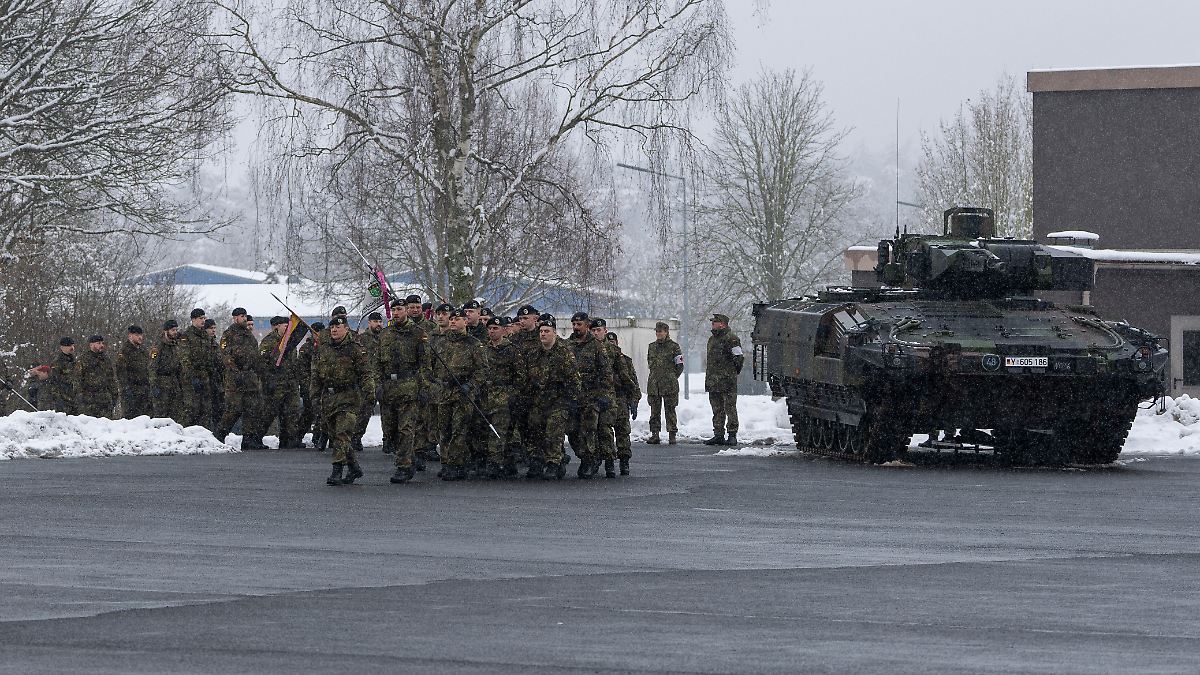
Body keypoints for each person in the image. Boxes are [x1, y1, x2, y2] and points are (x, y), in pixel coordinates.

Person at [311, 315, 374, 485]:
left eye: (338, 327)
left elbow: (366, 374)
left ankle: (337, 470)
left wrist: (370, 393)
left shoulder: (355, 349)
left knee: (342, 434)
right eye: (332, 327)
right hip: (330, 399)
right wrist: (315, 396)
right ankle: (354, 467)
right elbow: (316, 376)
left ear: (346, 329)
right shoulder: (324, 349)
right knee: (338, 436)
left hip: (349, 397)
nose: (334, 330)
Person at [429, 308, 487, 481]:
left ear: (465, 322)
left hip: (463, 393)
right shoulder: (439, 342)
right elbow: (429, 367)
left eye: (457, 319)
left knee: (459, 430)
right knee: (444, 429)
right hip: (443, 391)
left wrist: (470, 385)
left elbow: (482, 370)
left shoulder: (474, 344)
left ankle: (456, 464)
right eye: (451, 319)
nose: (453, 321)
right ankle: (446, 462)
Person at [377, 305, 429, 483]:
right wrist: (378, 384)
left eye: (400, 309)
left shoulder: (417, 333)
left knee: (405, 429)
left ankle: (403, 466)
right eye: (394, 310)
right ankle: (409, 457)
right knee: (390, 431)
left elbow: (424, 364)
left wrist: (423, 387)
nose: (396, 313)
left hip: (409, 386)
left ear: (406, 311)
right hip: (389, 388)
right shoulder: (385, 334)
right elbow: (377, 363)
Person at [526, 319, 579, 479]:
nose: (543, 334)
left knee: (553, 432)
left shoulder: (564, 352)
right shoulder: (534, 354)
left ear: (554, 333)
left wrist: (571, 401)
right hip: (539, 400)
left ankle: (554, 463)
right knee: (534, 430)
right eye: (541, 331)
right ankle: (537, 460)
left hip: (558, 401)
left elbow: (574, 380)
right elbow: (527, 378)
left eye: (547, 331)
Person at [566, 312, 612, 478]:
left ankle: (589, 460)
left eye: (579, 324)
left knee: (588, 430)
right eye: (574, 324)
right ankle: (585, 455)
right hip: (572, 396)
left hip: (591, 395)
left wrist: (604, 394)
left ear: (587, 326)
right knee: (571, 430)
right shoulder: (567, 345)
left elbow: (606, 372)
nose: (576, 327)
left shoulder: (596, 346)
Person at [216, 307, 267, 450]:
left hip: (250, 378)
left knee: (252, 410)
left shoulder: (249, 336)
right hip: (235, 379)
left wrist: (260, 374)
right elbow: (225, 355)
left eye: (245, 316)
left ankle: (248, 439)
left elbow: (255, 357)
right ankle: (220, 435)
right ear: (235, 318)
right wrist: (235, 372)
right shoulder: (229, 334)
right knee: (233, 409)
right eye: (241, 316)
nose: (244, 319)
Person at [481, 316, 522, 478]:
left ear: (503, 330)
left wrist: (513, 394)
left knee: (500, 430)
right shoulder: (483, 349)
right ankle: (499, 461)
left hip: (504, 396)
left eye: (495, 329)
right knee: (487, 428)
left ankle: (496, 461)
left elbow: (520, 376)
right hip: (487, 395)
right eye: (489, 329)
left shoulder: (512, 350)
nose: (491, 331)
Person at [259, 316, 302, 449]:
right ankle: (256, 437)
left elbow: (294, 362)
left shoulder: (290, 342)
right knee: (269, 413)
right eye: (285, 326)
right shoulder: (269, 341)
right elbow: (262, 363)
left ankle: (288, 440)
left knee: (291, 413)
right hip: (275, 384)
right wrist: (268, 380)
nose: (288, 328)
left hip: (290, 384)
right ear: (277, 326)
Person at [605, 331, 641, 476]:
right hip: (606, 400)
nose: (611, 345)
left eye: (613, 343)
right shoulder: (601, 360)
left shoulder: (625, 360)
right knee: (606, 433)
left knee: (623, 432)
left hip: (621, 399)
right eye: (609, 343)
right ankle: (609, 462)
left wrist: (634, 400)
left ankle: (624, 460)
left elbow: (633, 381)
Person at [704, 313, 744, 446]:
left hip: (727, 381)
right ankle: (718, 434)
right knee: (717, 409)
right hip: (713, 381)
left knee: (730, 408)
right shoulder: (712, 340)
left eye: (715, 322)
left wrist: (731, 374)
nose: (712, 324)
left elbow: (739, 359)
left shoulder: (732, 339)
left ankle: (732, 435)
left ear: (722, 324)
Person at [589, 318, 621, 478]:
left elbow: (624, 373)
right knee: (591, 430)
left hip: (608, 396)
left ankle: (609, 461)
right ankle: (593, 460)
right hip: (591, 396)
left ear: (605, 331)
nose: (596, 333)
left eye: (598, 330)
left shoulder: (613, 350)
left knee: (605, 429)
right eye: (593, 330)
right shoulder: (587, 348)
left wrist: (632, 395)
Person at [646, 321, 683, 445]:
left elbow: (679, 365)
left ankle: (672, 434)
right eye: (656, 331)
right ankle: (655, 434)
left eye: (660, 331)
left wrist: (672, 377)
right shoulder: (652, 346)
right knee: (654, 411)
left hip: (669, 384)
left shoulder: (674, 347)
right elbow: (650, 363)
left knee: (670, 410)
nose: (658, 334)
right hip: (654, 384)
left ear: (666, 332)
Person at [352, 311, 385, 452]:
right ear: (369, 323)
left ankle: (388, 439)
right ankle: (356, 437)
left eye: (380, 322)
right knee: (364, 411)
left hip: (383, 379)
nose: (378, 324)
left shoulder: (385, 338)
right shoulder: (362, 339)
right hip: (367, 380)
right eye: (375, 322)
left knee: (387, 412)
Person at [179, 308, 217, 429]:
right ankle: (186, 434)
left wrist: (212, 373)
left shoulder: (205, 336)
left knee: (206, 409)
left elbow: (210, 356)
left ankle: (203, 435)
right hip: (191, 378)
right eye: (201, 318)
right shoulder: (186, 336)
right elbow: (185, 359)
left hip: (205, 376)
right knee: (191, 409)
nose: (203, 320)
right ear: (193, 319)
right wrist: (192, 377)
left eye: (204, 318)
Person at [151, 320, 188, 422]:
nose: (175, 332)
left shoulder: (176, 344)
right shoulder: (159, 345)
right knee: (161, 413)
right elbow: (152, 367)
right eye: (173, 330)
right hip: (162, 382)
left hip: (174, 382)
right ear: (166, 331)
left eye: (176, 329)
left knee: (176, 412)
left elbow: (179, 364)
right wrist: (154, 385)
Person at [75, 335, 117, 418]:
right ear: (91, 345)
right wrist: (81, 397)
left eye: (102, 343)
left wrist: (114, 394)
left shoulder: (106, 359)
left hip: (105, 400)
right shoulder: (83, 359)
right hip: (89, 400)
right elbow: (77, 379)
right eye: (98, 343)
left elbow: (111, 378)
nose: (101, 345)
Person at [115, 325, 152, 419]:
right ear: (130, 336)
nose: (140, 337)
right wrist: (126, 389)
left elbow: (148, 369)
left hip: (144, 391)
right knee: (131, 420)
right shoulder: (124, 351)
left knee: (145, 419)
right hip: (131, 391)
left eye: (141, 335)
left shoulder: (143, 351)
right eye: (137, 335)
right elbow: (121, 373)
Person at [297, 321, 324, 450]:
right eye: (316, 332)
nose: (319, 335)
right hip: (309, 386)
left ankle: (318, 436)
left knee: (321, 413)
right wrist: (309, 386)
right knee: (309, 413)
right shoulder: (306, 349)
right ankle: (298, 435)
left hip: (323, 386)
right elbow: (302, 371)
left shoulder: (325, 347)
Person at [45, 337, 78, 414]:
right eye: (69, 346)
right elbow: (55, 380)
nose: (72, 348)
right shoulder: (58, 362)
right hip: (62, 398)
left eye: (72, 345)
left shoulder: (73, 361)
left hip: (73, 397)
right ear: (62, 347)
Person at [204, 319, 225, 431]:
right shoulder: (204, 343)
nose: (213, 330)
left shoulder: (215, 344)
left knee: (218, 409)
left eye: (214, 328)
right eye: (211, 328)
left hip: (217, 380)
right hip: (207, 379)